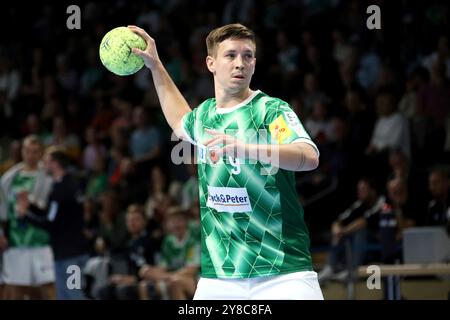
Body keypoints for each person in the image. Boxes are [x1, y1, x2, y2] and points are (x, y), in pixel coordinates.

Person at [128, 23, 322, 299]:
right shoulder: (205, 115)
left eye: (248, 56)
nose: (240, 63)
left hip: (282, 273)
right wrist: (156, 66)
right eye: (230, 55)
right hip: (219, 277)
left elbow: (308, 156)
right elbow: (179, 119)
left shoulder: (271, 110)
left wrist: (248, 149)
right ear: (211, 63)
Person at [16, 148, 88, 300]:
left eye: (46, 162)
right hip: (65, 253)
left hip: (71, 255)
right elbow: (51, 214)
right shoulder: (67, 184)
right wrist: (29, 206)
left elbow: (50, 223)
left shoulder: (63, 190)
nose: (43, 165)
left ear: (55, 164)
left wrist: (25, 215)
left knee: (74, 295)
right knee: (64, 296)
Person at [0, 135, 55, 299]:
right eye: (28, 151)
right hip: (16, 243)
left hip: (42, 241)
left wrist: (30, 203)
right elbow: (2, 212)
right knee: (15, 289)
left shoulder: (48, 178)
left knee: (47, 288)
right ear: (22, 152)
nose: (31, 155)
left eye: (35, 152)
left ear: (40, 154)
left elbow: (51, 208)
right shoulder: (8, 179)